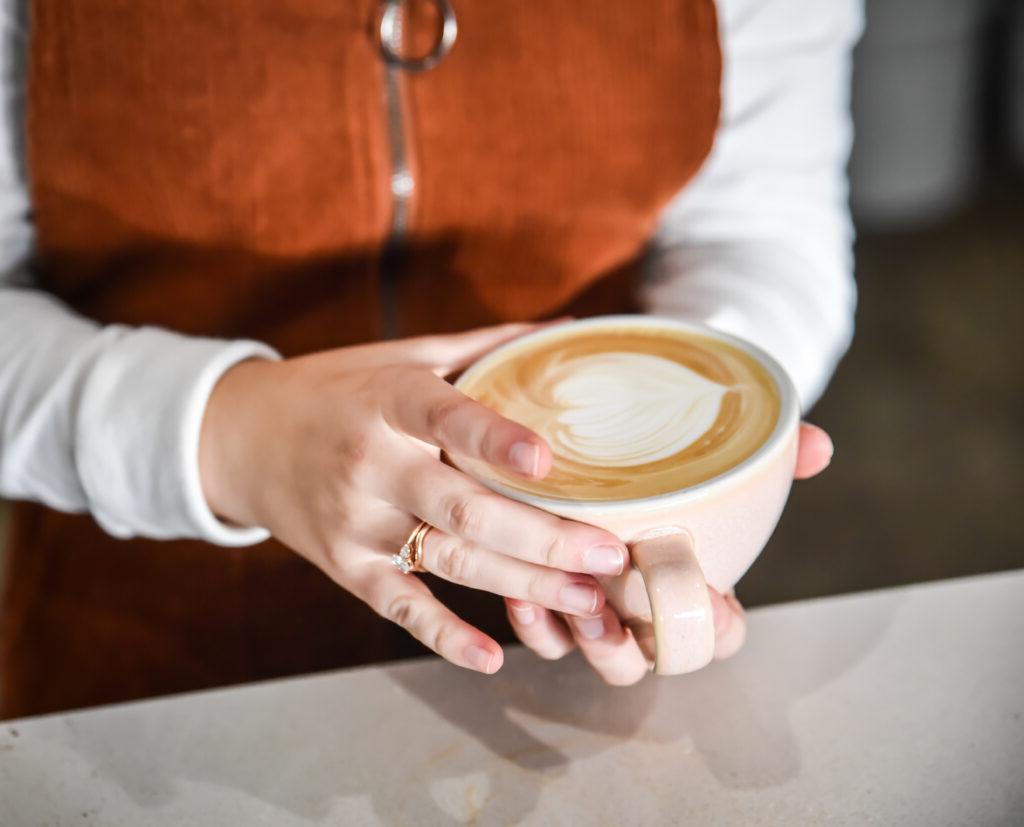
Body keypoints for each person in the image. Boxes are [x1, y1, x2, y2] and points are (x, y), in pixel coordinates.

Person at [0, 0, 860, 718]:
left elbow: (760, 231)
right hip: (139, 666)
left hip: (553, 671)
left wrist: (673, 507)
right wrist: (225, 439)